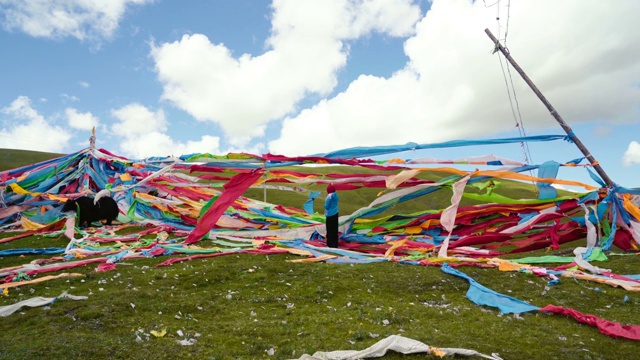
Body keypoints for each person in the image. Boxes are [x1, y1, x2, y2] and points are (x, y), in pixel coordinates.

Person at [324, 183, 339, 248]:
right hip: (336, 213)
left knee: (329, 230)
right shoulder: (336, 195)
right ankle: (335, 244)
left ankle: (330, 244)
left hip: (330, 215)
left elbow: (327, 206)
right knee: (335, 229)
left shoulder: (329, 197)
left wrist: (324, 205)